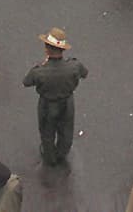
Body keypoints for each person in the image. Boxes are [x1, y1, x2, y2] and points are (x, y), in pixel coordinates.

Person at [23, 27, 90, 166]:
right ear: (63, 49)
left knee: (47, 132)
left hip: (47, 104)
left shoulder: (40, 71)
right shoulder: (74, 66)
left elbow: (27, 82)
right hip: (67, 102)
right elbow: (85, 73)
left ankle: (50, 158)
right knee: (66, 130)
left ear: (47, 49)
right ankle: (62, 153)